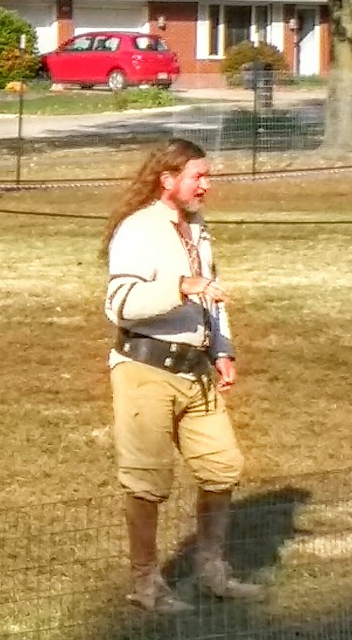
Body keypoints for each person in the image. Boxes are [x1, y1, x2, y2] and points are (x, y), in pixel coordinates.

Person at [102, 138, 264, 613]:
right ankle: (146, 584)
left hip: (197, 373)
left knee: (223, 467)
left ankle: (212, 571)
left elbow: (210, 293)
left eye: (207, 176)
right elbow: (120, 305)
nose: (206, 185)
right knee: (147, 481)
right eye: (198, 176)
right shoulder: (137, 230)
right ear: (167, 179)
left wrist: (223, 347)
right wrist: (179, 286)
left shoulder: (197, 228)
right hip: (145, 370)